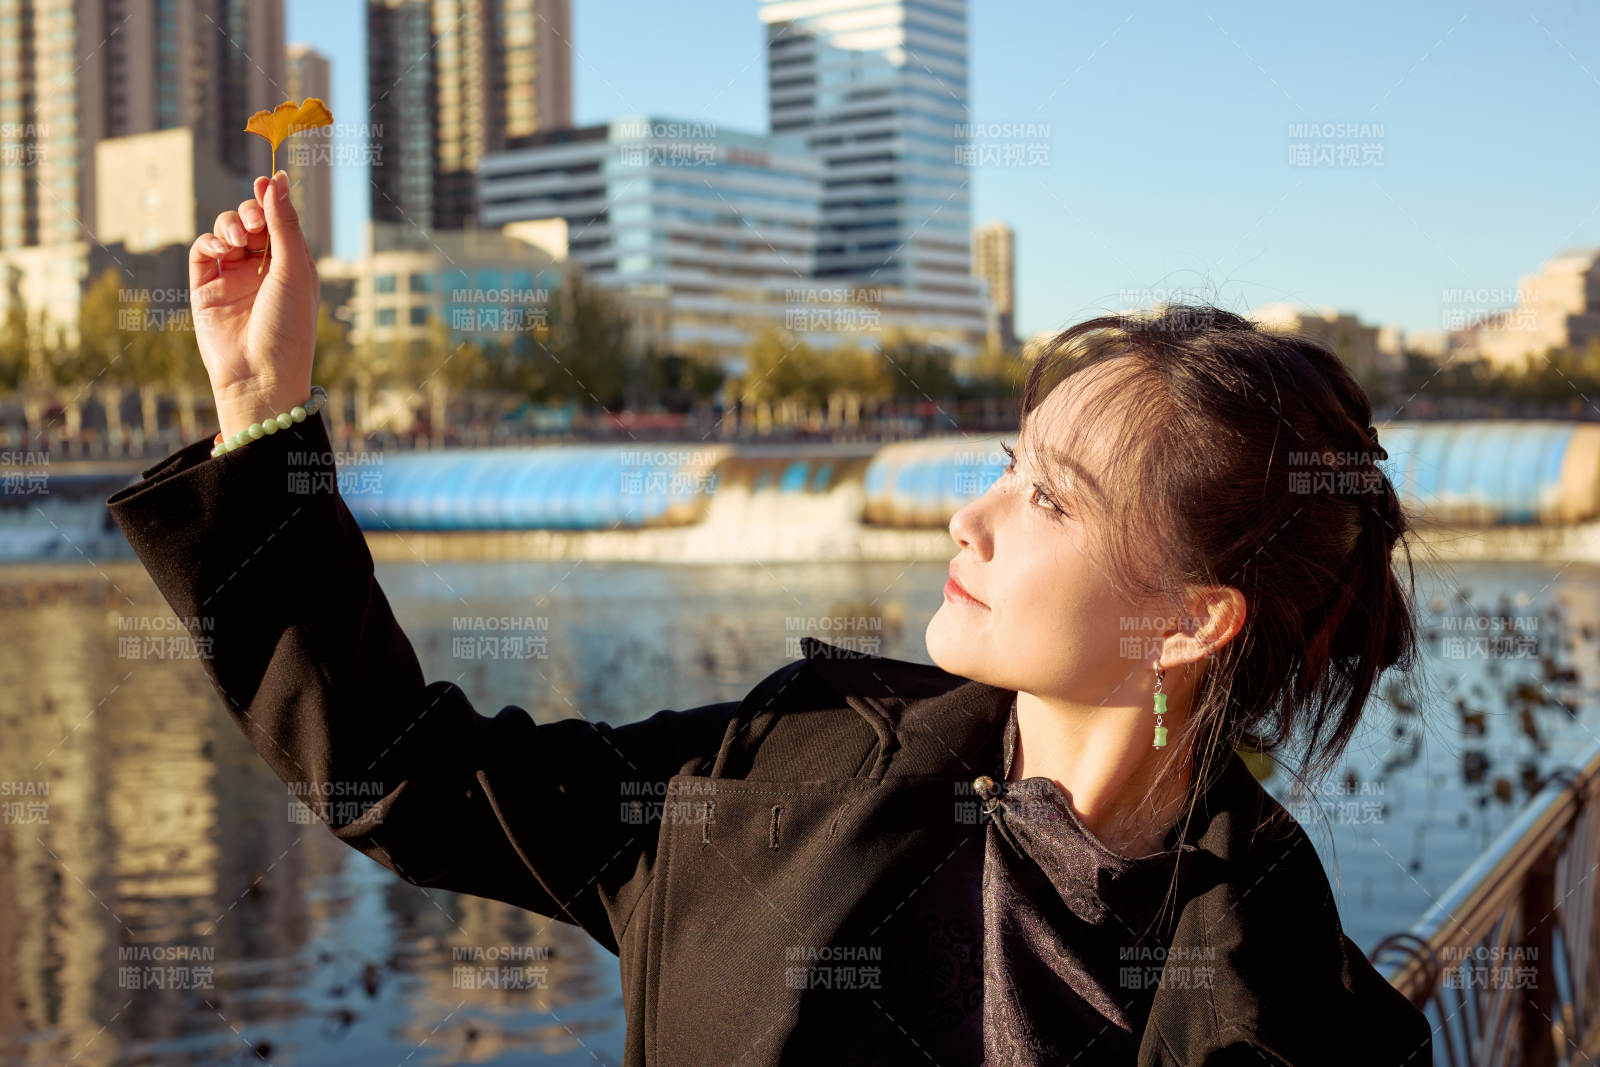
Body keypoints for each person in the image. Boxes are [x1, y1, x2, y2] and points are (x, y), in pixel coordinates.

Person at [106, 173, 1433, 1065]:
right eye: (1003, 468)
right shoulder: (780, 762)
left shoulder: (1310, 1017)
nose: (968, 521)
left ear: (1192, 625)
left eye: (1051, 503)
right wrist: (261, 409)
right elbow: (398, 771)